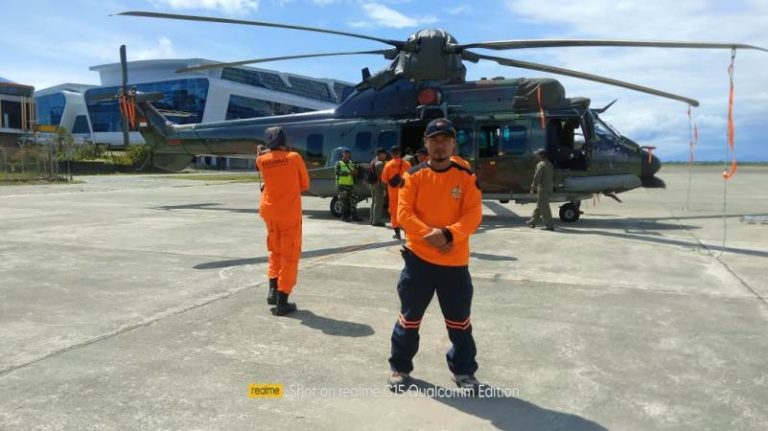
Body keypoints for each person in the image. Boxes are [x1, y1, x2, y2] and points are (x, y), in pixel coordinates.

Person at [387, 118, 484, 391]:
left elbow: (473, 213)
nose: (440, 145)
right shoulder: (413, 175)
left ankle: (463, 371)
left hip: (454, 263)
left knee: (459, 322)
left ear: (454, 143)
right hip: (419, 261)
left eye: (446, 139)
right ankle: (399, 367)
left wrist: (449, 234)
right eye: (435, 140)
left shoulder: (465, 176)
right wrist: (430, 234)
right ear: (426, 143)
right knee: (409, 319)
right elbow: (404, 213)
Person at [256, 127, 310, 316]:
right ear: (284, 141)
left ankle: (272, 287)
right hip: (288, 213)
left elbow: (265, 158)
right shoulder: (294, 157)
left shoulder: (261, 160)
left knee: (275, 250)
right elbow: (305, 184)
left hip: (269, 211)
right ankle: (282, 299)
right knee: (290, 254)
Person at [381, 146, 411, 239]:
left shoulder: (388, 165)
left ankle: (397, 234)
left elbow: (384, 179)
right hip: (405, 191)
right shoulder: (407, 163)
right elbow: (412, 176)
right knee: (405, 211)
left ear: (391, 154)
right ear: (400, 153)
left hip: (393, 192)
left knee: (394, 212)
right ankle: (407, 233)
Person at [527, 148, 555, 231]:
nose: (536, 156)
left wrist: (533, 187)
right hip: (549, 187)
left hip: (543, 188)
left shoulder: (541, 164)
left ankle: (549, 225)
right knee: (540, 206)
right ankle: (532, 222)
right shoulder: (549, 164)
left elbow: (537, 177)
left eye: (538, 154)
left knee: (544, 207)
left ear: (542, 155)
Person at [335, 148, 361, 222]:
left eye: (348, 153)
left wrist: (355, 172)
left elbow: (354, 172)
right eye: (345, 153)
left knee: (353, 200)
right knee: (344, 201)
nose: (347, 155)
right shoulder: (339, 163)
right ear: (343, 154)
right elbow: (338, 172)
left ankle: (354, 216)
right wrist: (348, 173)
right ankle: (344, 217)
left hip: (350, 185)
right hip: (342, 185)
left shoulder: (351, 163)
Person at [369, 147, 388, 227]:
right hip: (378, 185)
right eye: (384, 154)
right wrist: (384, 189)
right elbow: (382, 178)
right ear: (380, 154)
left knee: (374, 202)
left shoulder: (373, 161)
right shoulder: (380, 163)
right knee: (379, 203)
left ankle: (372, 219)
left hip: (372, 184)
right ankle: (376, 221)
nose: (386, 155)